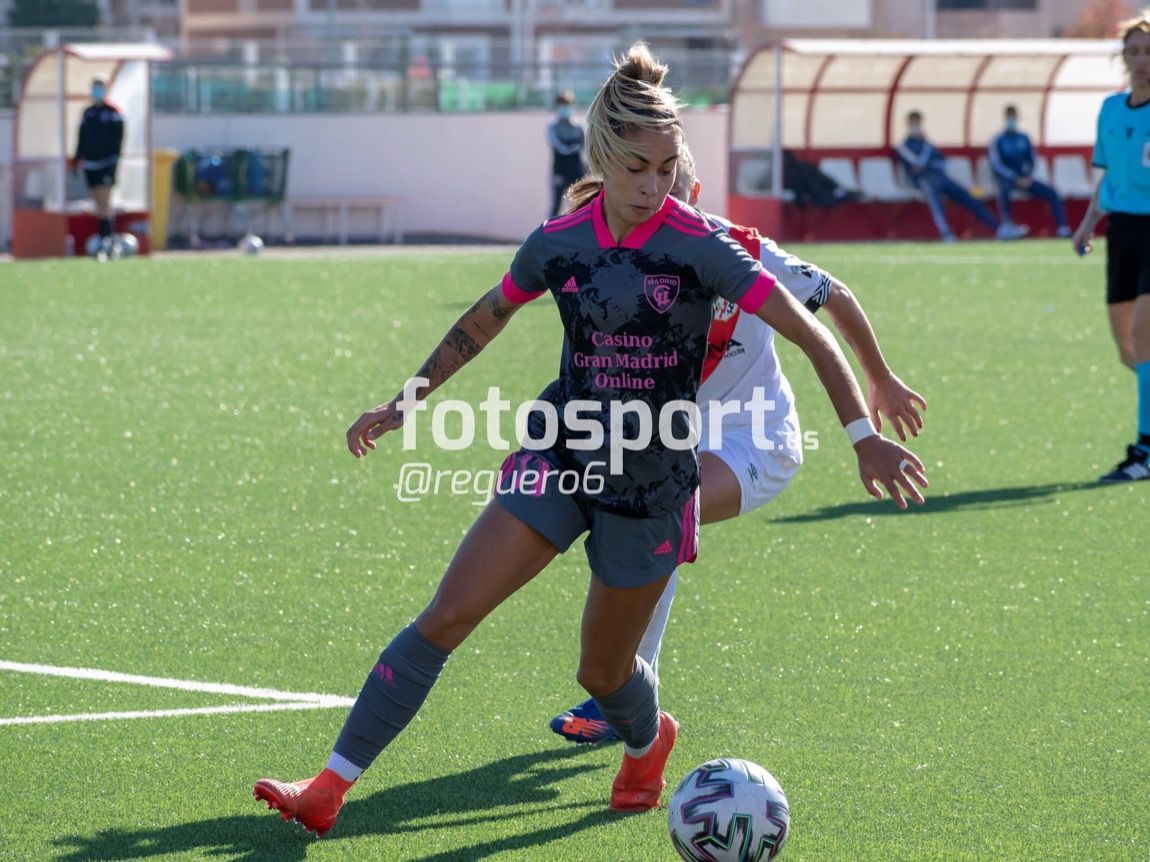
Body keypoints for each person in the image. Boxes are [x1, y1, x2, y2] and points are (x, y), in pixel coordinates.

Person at [253, 43, 927, 838]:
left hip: (653, 481)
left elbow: (813, 333)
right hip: (564, 450)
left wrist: (862, 435)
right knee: (447, 614)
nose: (654, 185)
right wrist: (407, 399)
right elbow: (487, 316)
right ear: (602, 159)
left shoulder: (705, 247)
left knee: (603, 673)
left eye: (667, 168)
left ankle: (647, 741)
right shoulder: (559, 241)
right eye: (638, 168)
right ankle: (328, 786)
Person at [550, 143, 927, 743]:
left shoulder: (743, 251)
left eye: (672, 194)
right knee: (639, 517)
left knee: (661, 508)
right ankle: (625, 691)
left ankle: (621, 695)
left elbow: (834, 297)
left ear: (694, 197)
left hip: (758, 440)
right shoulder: (617, 259)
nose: (657, 209)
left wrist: (877, 387)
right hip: (670, 444)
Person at [1072, 11, 1150, 483]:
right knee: (1128, 350)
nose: (1142, 60)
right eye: (1134, 52)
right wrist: (1087, 224)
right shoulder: (1111, 109)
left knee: (1144, 338)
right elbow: (1107, 177)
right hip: (1122, 231)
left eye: (1149, 52)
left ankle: (1145, 450)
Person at [895, 110, 1027, 243]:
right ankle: (946, 233)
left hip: (941, 177)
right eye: (913, 122)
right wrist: (925, 150)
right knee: (935, 202)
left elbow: (941, 161)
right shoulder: (904, 145)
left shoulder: (927, 143)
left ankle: (1000, 229)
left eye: (918, 122)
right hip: (923, 180)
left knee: (969, 198)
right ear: (908, 123)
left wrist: (926, 151)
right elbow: (918, 163)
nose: (916, 125)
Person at [988, 105, 1071, 237]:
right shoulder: (998, 139)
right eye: (1009, 117)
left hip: (1025, 178)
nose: (1011, 120)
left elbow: (1032, 159)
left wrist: (1027, 176)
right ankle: (1008, 226)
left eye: (1013, 116)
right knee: (1003, 190)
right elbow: (996, 164)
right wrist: (1014, 177)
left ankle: (1062, 228)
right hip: (1007, 179)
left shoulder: (1024, 137)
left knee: (1052, 193)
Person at [72, 77, 124, 256]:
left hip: (106, 164)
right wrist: (77, 160)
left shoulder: (113, 112)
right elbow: (81, 138)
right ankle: (104, 238)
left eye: (100, 88)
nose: (97, 92)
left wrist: (114, 162)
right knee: (97, 203)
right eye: (94, 88)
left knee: (105, 202)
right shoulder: (88, 113)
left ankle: (108, 240)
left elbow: (118, 140)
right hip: (90, 164)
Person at [547, 90, 586, 218]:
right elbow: (560, 147)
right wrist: (574, 147)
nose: (565, 108)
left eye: (567, 104)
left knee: (579, 206)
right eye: (562, 105)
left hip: (576, 171)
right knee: (556, 207)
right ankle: (549, 230)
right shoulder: (552, 126)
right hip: (560, 171)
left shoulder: (579, 126)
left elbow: (586, 145)